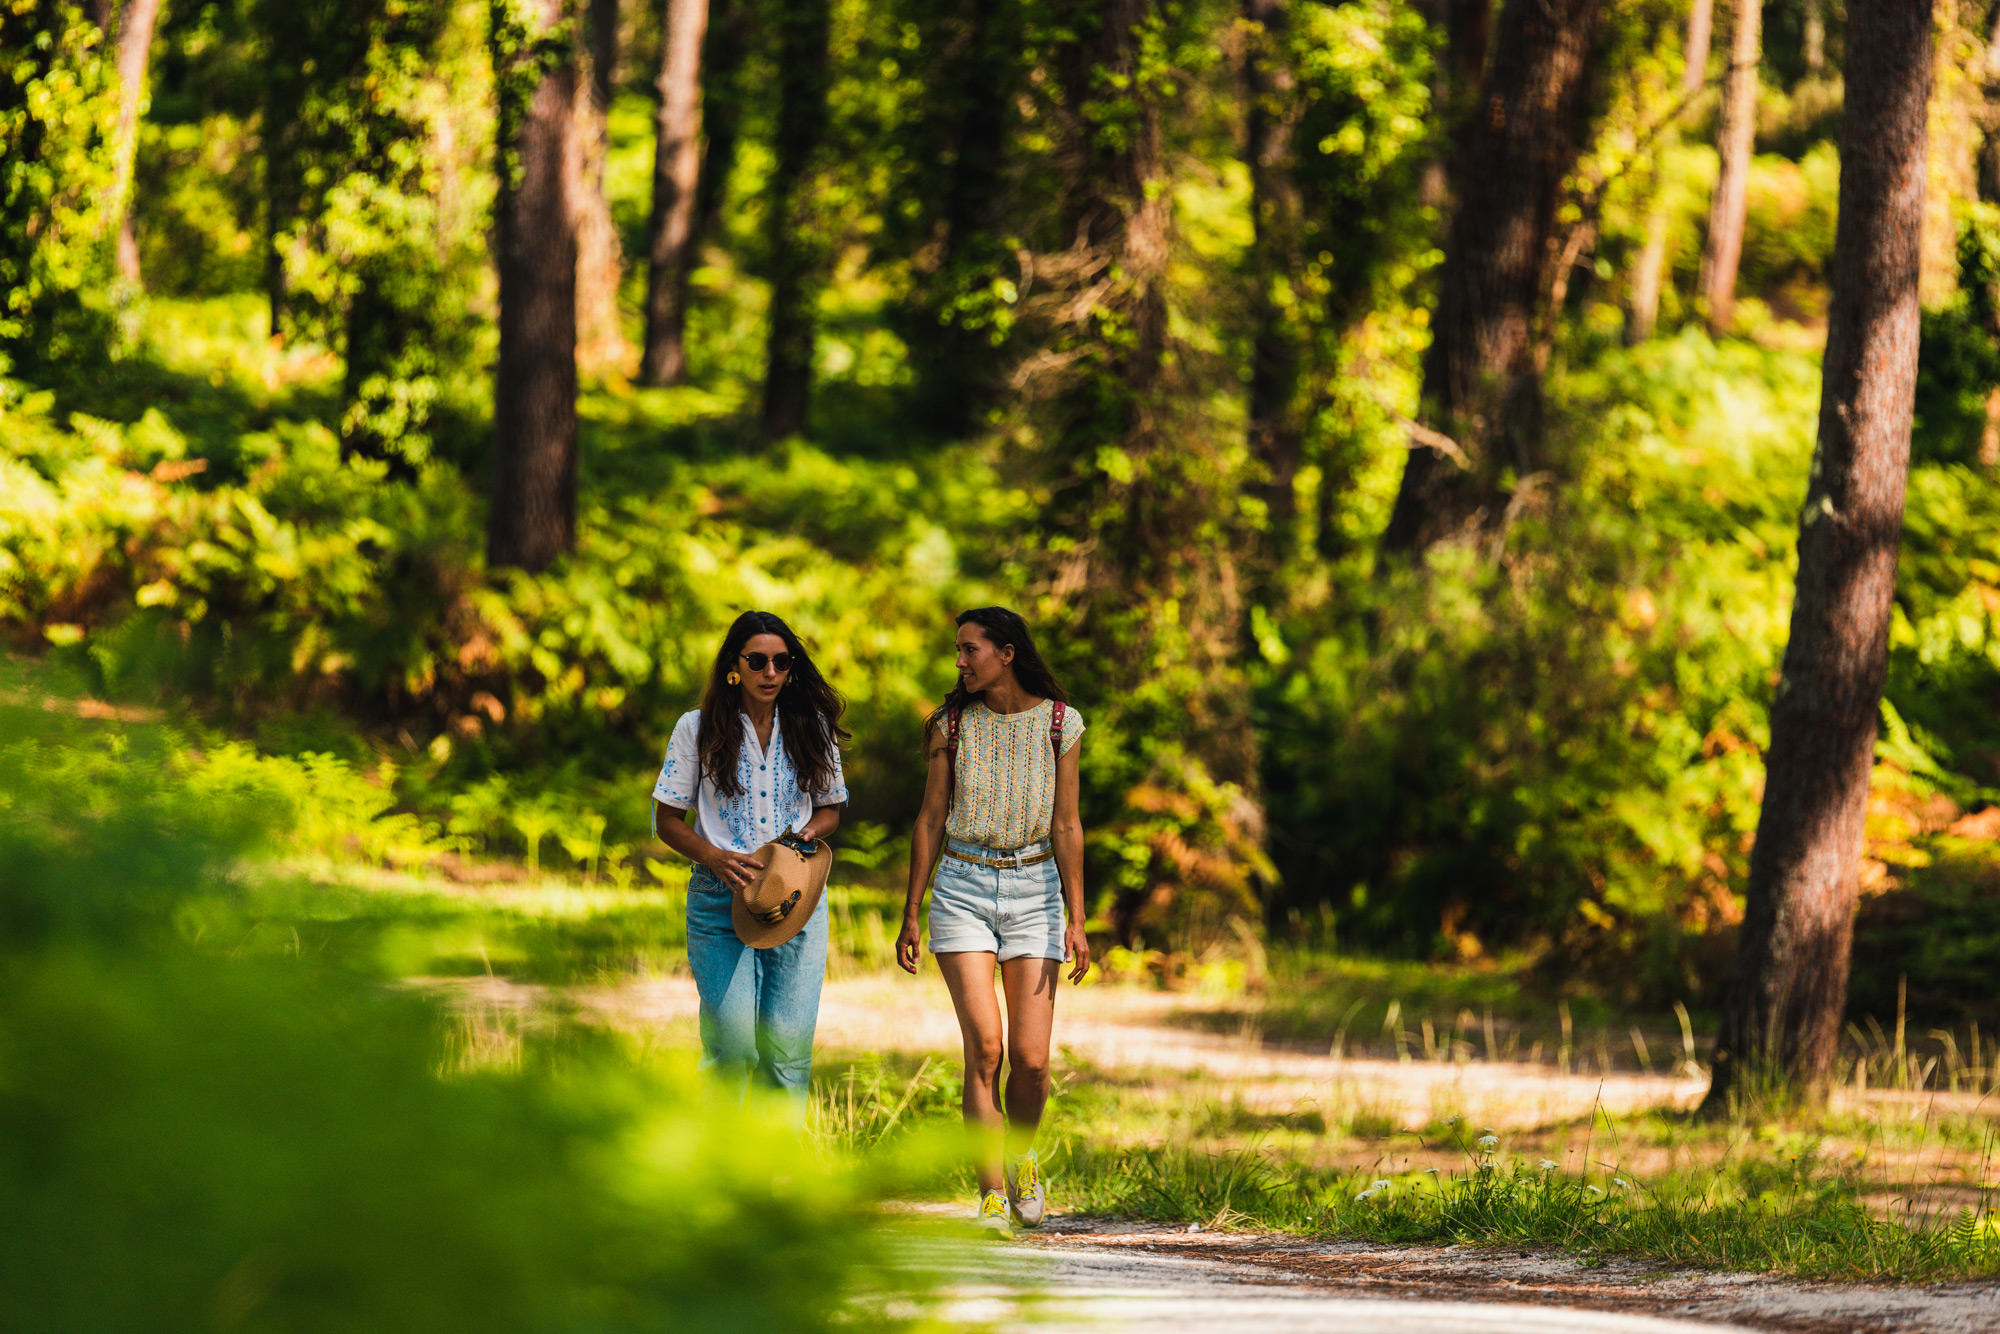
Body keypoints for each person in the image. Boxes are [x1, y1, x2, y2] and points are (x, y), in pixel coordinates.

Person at [896, 607, 1089, 1235]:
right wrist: (912, 912)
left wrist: (1077, 917)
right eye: (957, 650)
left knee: (1031, 1059)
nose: (960, 661)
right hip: (962, 886)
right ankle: (988, 1197)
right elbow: (928, 819)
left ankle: (1023, 1156)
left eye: (969, 649)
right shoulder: (951, 724)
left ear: (1007, 653)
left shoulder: (1061, 723)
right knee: (985, 1047)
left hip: (1035, 888)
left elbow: (1066, 825)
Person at [652, 610, 848, 1102]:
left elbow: (831, 808)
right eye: (757, 661)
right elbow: (667, 821)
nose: (770, 673)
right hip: (720, 898)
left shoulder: (811, 725)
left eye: (782, 662)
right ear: (734, 665)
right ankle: (724, 1171)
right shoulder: (697, 728)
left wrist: (803, 835)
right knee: (733, 1047)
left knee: (786, 1053)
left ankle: (776, 1175)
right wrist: (715, 857)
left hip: (795, 894)